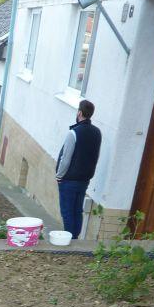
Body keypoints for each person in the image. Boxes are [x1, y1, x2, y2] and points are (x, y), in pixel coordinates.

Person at [56, 100, 101, 239]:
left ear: (80, 113)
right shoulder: (97, 132)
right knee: (77, 211)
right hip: (85, 179)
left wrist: (59, 175)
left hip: (69, 179)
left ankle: (70, 240)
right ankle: (76, 240)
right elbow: (95, 155)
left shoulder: (73, 133)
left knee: (67, 212)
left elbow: (66, 158)